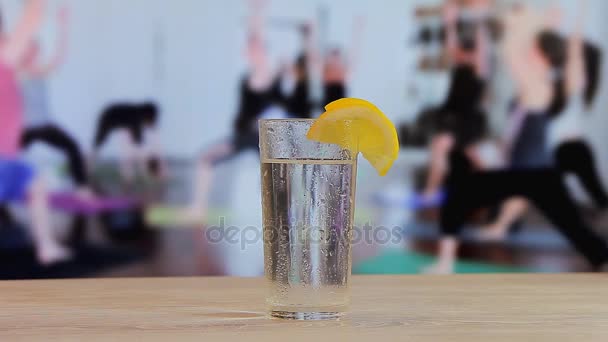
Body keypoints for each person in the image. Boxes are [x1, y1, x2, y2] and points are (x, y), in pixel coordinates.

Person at [481, 2, 607, 240]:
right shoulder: (546, 80)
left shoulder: (568, 84)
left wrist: (580, 11)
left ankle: (501, 225)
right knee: (542, 196)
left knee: (541, 193)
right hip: (550, 148)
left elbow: (573, 47)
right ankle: (503, 224)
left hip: (566, 149)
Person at [428, 150, 608, 274]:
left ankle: (446, 262)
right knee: (569, 221)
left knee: (569, 221)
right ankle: (449, 260)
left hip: (531, 174)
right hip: (526, 173)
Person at [0, 0, 71, 265]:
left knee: (36, 183)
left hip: (7, 156)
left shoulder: (10, 60)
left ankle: (47, 247)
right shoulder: (4, 55)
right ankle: (47, 247)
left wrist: (63, 29)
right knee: (35, 183)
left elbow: (49, 66)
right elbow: (33, 13)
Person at [418, 0, 491, 205]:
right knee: (471, 155)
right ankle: (497, 191)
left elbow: (482, 42)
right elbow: (451, 45)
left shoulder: (480, 67)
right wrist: (450, 22)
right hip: (453, 116)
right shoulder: (459, 63)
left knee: (440, 145)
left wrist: (480, 17)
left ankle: (431, 192)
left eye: (467, 52)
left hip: (467, 120)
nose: (461, 53)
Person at [17, 5, 91, 196]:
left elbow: (59, 57)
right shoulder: (17, 71)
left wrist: (63, 27)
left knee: (72, 146)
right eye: (32, 49)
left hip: (45, 125)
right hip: (24, 128)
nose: (36, 53)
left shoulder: (40, 71)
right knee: (6, 157)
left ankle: (82, 188)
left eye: (37, 50)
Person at [91, 102, 164, 182]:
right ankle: (90, 164)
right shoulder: (136, 117)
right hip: (110, 116)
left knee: (100, 142)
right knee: (100, 142)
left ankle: (133, 173)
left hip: (111, 115)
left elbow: (138, 139)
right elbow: (138, 140)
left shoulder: (136, 117)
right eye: (152, 119)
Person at [321, 16, 364, 108]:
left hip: (341, 110)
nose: (335, 59)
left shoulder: (343, 71)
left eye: (337, 56)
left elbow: (354, 52)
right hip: (327, 109)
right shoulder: (326, 70)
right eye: (333, 56)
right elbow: (314, 56)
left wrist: (358, 29)